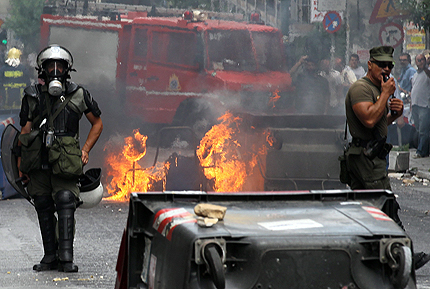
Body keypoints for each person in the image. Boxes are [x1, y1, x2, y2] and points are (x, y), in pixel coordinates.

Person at [17, 45, 103, 272]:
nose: (55, 70)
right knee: (43, 204)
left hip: (66, 161)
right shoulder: (32, 96)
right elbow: (24, 133)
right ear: (42, 70)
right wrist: (21, 166)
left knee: (66, 200)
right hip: (38, 161)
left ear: (67, 69)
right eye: (50, 66)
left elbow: (97, 123)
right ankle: (50, 256)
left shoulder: (79, 94)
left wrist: (85, 150)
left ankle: (66, 257)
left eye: (60, 66)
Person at [344, 46, 430, 270]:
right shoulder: (361, 89)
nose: (386, 69)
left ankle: (364, 256)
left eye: (389, 65)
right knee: (386, 207)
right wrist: (384, 94)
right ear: (370, 64)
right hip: (365, 159)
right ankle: (404, 257)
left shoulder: (377, 88)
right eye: (381, 64)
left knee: (366, 209)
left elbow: (381, 123)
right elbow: (369, 120)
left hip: (373, 157)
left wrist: (394, 114)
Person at [410, 54, 430, 159]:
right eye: (418, 60)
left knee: (423, 130)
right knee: (418, 129)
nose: (420, 62)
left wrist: (425, 68)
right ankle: (425, 150)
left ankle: (421, 151)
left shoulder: (427, 72)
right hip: (415, 105)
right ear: (416, 62)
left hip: (425, 105)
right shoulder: (415, 75)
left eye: (422, 60)